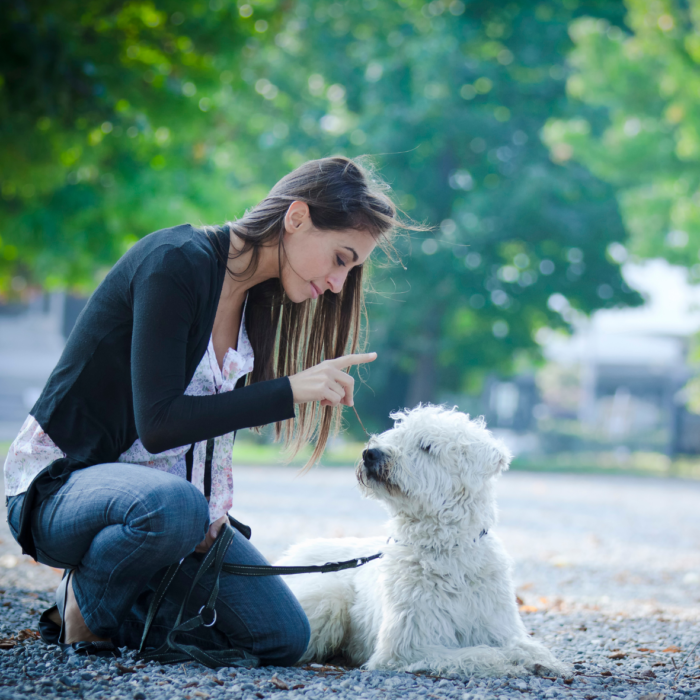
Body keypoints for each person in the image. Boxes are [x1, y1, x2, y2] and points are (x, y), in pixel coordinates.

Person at [3, 155, 399, 666]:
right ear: (297, 218)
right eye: (341, 258)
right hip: (62, 486)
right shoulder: (176, 261)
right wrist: (288, 391)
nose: (340, 283)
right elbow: (161, 422)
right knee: (175, 508)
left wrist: (213, 517)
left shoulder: (260, 298)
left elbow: (209, 434)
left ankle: (128, 598)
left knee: (283, 638)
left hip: (168, 509)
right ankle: (81, 605)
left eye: (352, 268)